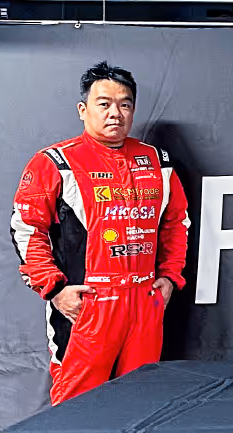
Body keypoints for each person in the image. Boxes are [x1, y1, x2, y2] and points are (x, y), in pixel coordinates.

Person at [11, 62, 190, 405]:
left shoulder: (158, 161)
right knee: (77, 406)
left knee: (141, 402)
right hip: (89, 304)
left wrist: (170, 277)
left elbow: (176, 223)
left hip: (145, 302)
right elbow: (27, 228)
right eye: (104, 104)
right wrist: (55, 289)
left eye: (125, 105)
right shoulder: (55, 162)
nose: (115, 114)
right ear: (83, 109)